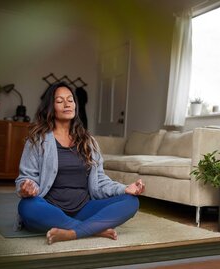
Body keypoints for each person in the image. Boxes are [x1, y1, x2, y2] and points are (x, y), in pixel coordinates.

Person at [15, 81, 145, 244]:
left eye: (70, 100)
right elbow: (24, 178)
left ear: (75, 105)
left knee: (131, 202)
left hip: (84, 209)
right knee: (26, 206)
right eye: (59, 101)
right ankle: (93, 229)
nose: (67, 104)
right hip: (50, 209)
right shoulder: (37, 140)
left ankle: (72, 232)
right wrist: (27, 188)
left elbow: (100, 181)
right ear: (50, 107)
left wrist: (125, 188)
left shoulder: (88, 141)